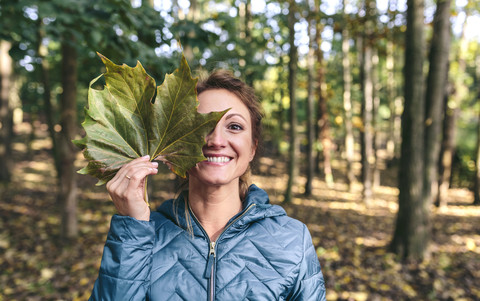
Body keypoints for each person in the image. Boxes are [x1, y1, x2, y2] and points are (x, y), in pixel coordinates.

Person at [89, 70, 326, 300]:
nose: (216, 140)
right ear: (177, 145)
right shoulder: (141, 235)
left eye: (234, 126)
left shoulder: (292, 239)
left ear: (252, 148)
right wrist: (132, 229)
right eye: (201, 125)